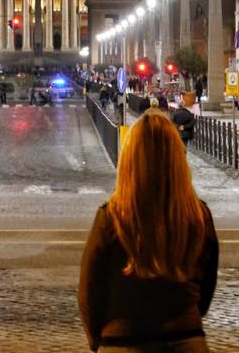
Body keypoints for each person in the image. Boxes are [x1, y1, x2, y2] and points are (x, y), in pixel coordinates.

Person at [79, 111, 218, 352]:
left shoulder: (111, 216)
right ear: (178, 159)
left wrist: (98, 341)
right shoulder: (199, 215)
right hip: (186, 339)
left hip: (123, 341)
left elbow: (90, 291)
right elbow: (206, 286)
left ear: (129, 161)